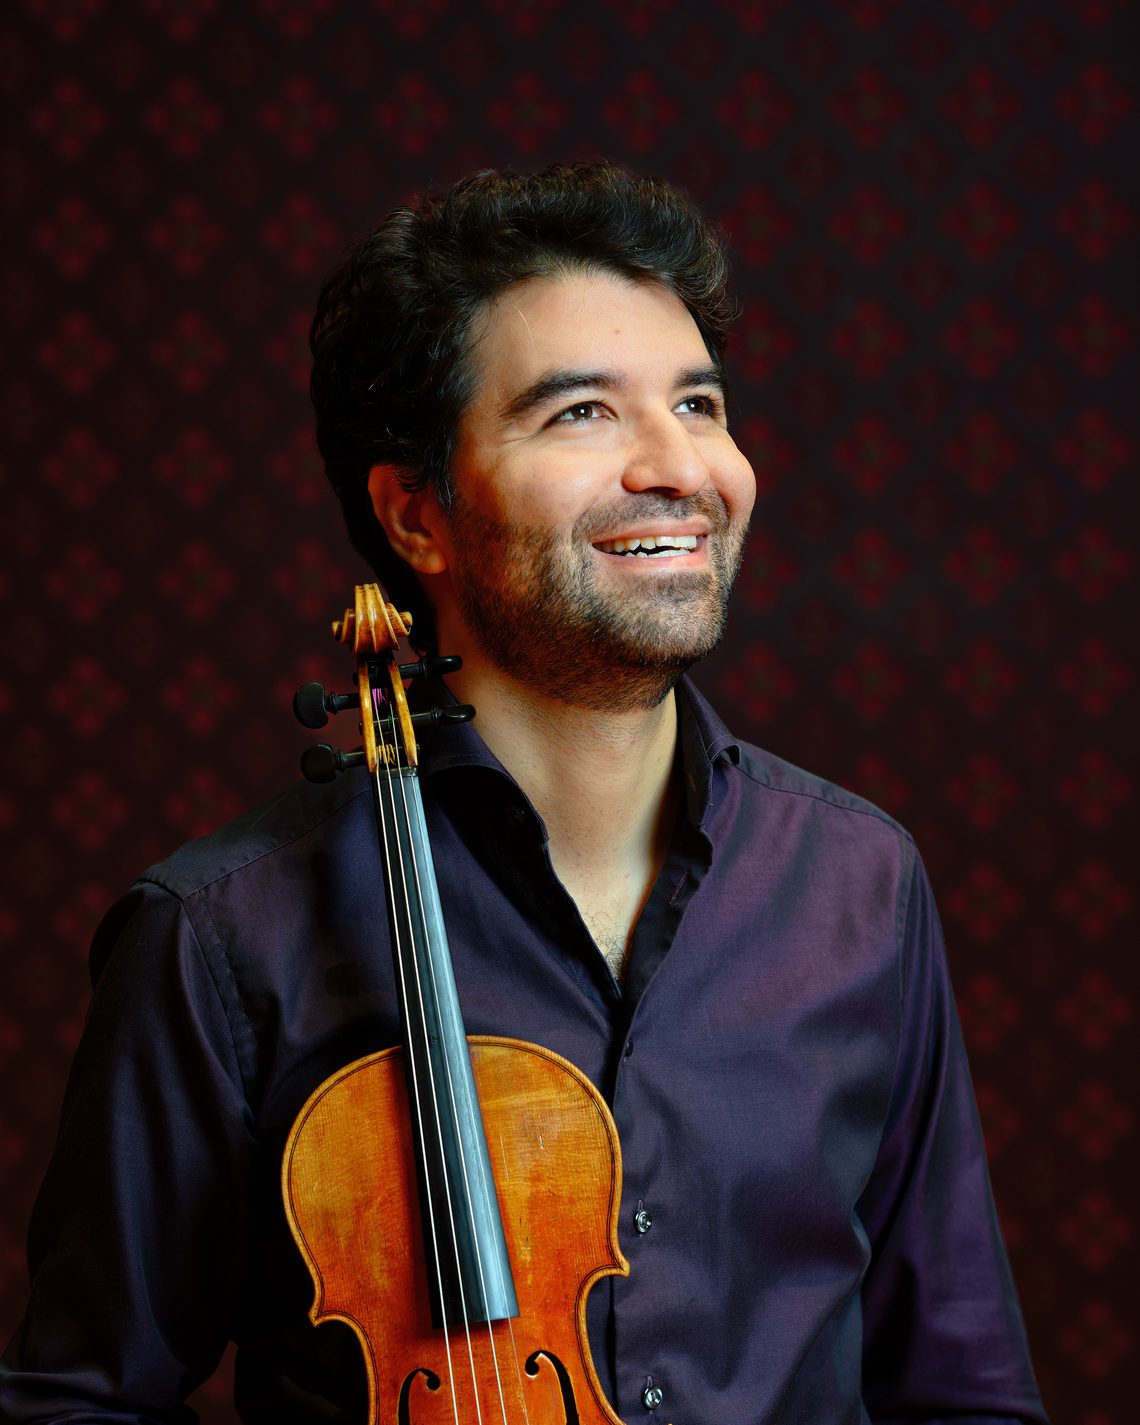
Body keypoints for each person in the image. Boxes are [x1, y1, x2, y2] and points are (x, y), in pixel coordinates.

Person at [1, 163, 1047, 1423]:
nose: (679, 466)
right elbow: (76, 1404)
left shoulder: (858, 884)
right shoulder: (223, 938)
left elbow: (965, 1393)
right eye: (582, 415)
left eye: (699, 402)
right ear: (416, 516)